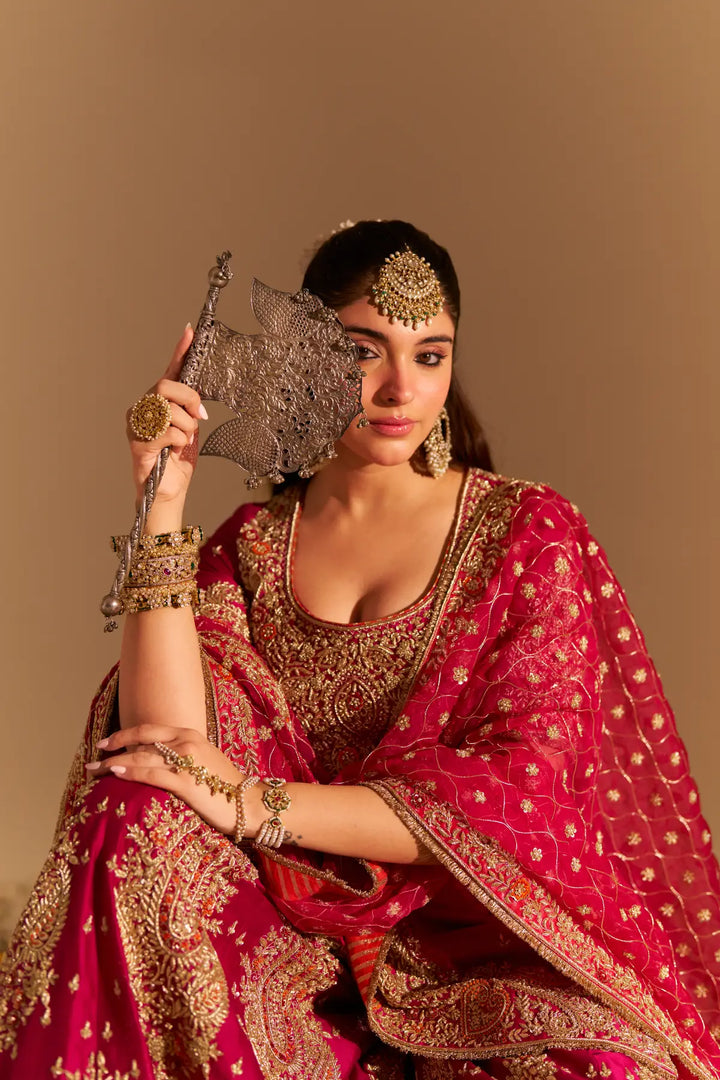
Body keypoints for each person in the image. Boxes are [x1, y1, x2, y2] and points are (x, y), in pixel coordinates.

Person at [0, 221, 718, 1080]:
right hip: (286, 927)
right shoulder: (255, 550)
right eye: (363, 351)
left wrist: (255, 801)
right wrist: (162, 496)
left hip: (476, 941)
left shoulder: (526, 536)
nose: (397, 389)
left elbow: (520, 789)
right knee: (131, 818)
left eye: (430, 355)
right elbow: (165, 751)